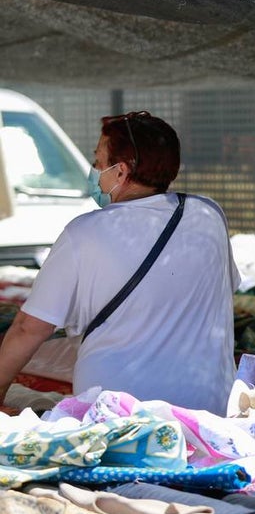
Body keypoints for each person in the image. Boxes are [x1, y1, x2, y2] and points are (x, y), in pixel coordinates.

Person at [0, 111, 239, 414]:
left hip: (116, 415)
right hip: (211, 410)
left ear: (121, 172)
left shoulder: (84, 232)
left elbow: (28, 329)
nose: (95, 171)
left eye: (98, 162)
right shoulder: (209, 214)